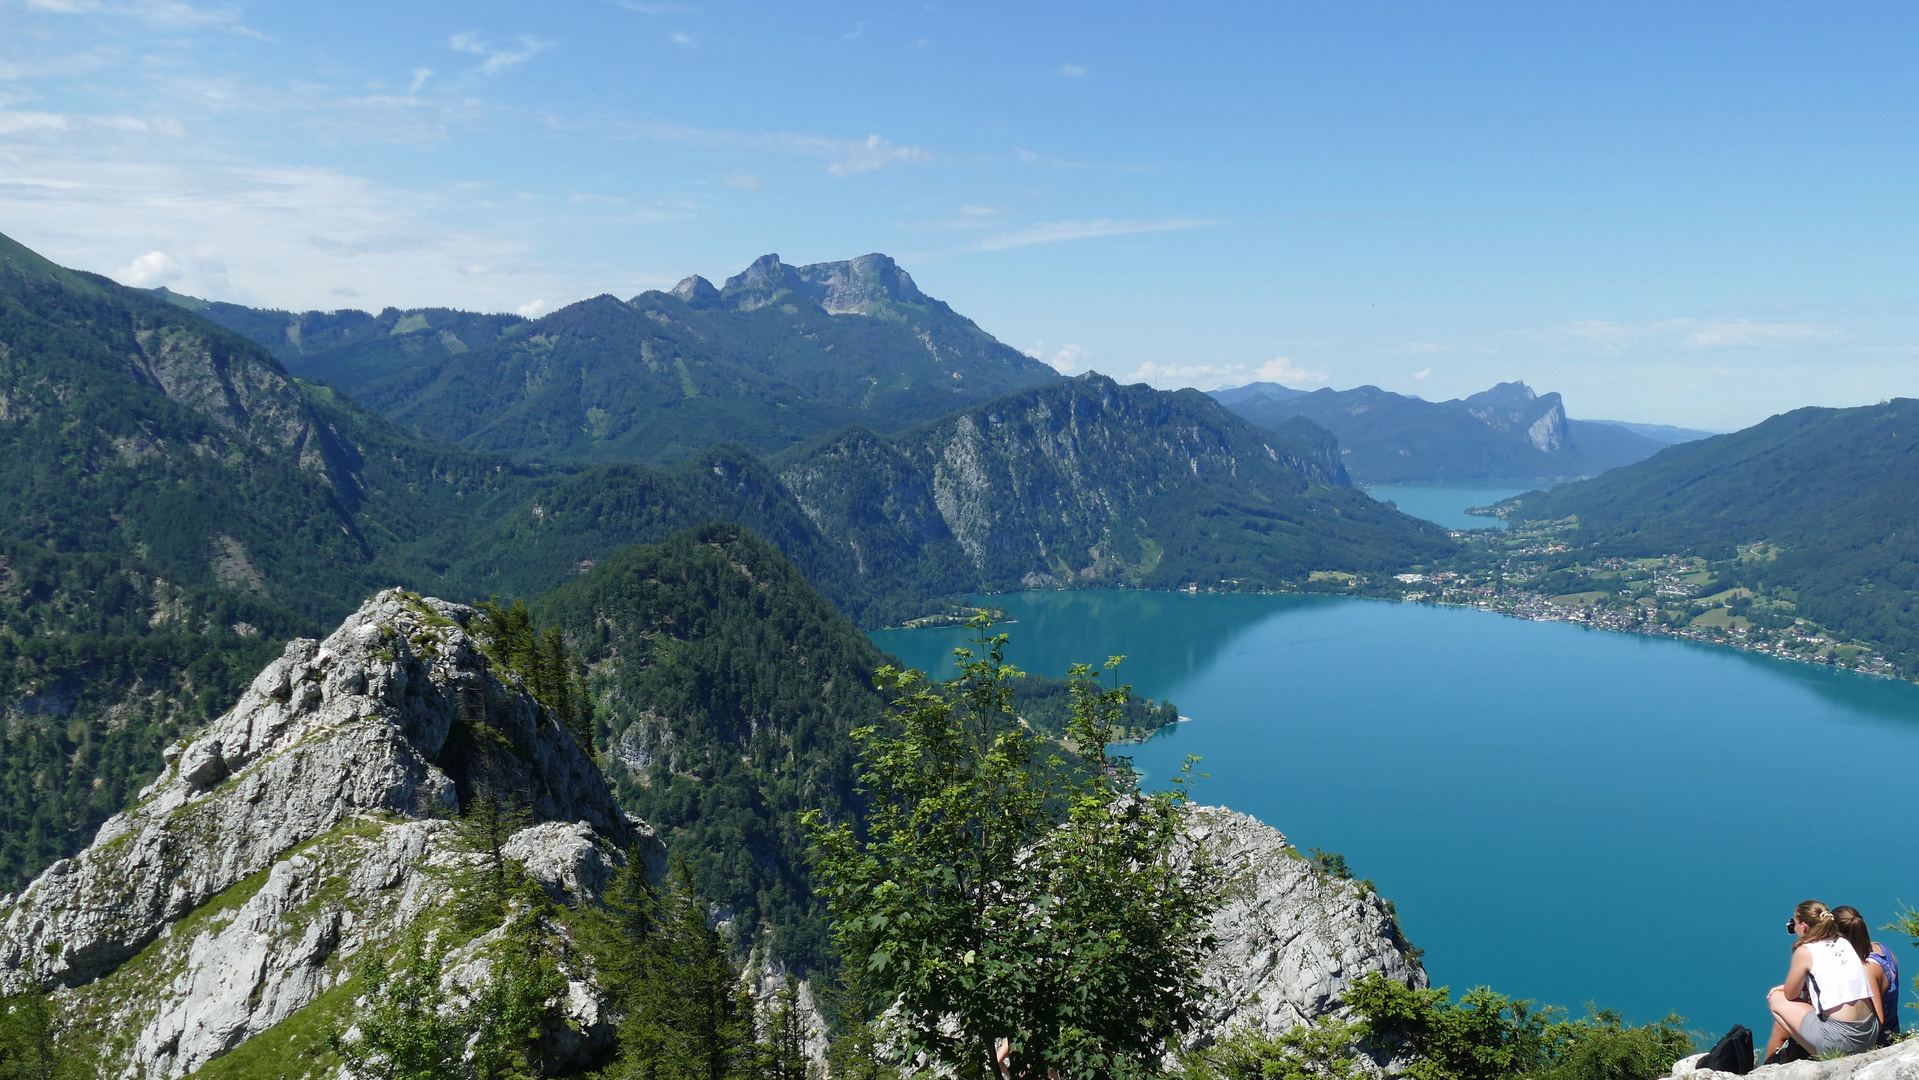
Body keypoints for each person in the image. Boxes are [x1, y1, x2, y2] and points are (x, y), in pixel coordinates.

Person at [1766, 900, 1881, 1060]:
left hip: (1841, 1041)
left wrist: (1785, 988)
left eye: (1795, 923)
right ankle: (1817, 1044)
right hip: (1869, 1035)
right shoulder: (1844, 942)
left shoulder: (1805, 951)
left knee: (1776, 999)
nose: (1793, 927)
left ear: (1804, 927)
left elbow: (1790, 995)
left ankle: (1820, 1053)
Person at [1833, 905, 1901, 1046]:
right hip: (1894, 1032)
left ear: (1838, 936)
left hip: (1879, 1042)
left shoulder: (1866, 969)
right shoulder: (1882, 949)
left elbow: (1879, 1018)